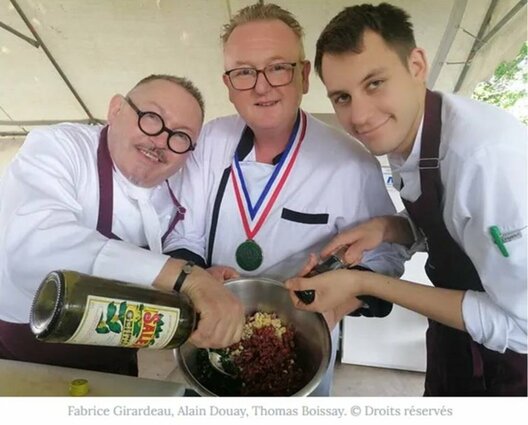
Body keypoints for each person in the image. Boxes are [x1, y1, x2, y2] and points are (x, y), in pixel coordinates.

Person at [285, 3, 527, 396]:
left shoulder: (485, 157)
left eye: (375, 83)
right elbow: (452, 222)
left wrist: (367, 284)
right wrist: (388, 228)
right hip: (453, 339)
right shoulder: (410, 135)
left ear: (416, 65)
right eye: (342, 98)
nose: (360, 116)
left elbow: (520, 327)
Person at [171, 3, 407, 396]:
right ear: (228, 85)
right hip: (211, 333)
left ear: (304, 76)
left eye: (278, 67)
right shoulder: (209, 142)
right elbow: (184, 229)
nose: (262, 86)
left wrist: (336, 307)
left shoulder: (351, 162)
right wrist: (196, 277)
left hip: (300, 348)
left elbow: (388, 256)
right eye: (244, 72)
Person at [0, 74, 245, 376]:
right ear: (116, 109)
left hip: (118, 345)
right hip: (31, 347)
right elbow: (34, 252)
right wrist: (186, 277)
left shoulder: (172, 186)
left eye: (181, 136)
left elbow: (152, 262)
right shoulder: (60, 147)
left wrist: (198, 283)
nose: (161, 142)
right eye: (152, 117)